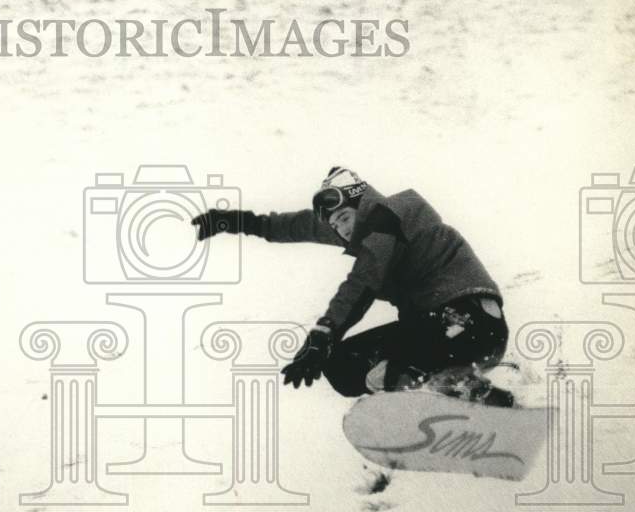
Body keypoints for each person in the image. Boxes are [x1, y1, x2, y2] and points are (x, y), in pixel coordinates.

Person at [191, 166, 514, 406]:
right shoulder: (368, 231)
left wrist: (323, 334)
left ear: (364, 205)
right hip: (444, 337)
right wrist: (235, 221)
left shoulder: (390, 218)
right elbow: (296, 225)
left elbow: (362, 281)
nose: (341, 230)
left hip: (467, 323)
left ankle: (456, 391)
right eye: (334, 225)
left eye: (344, 218)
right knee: (343, 366)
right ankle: (456, 394)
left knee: (385, 366)